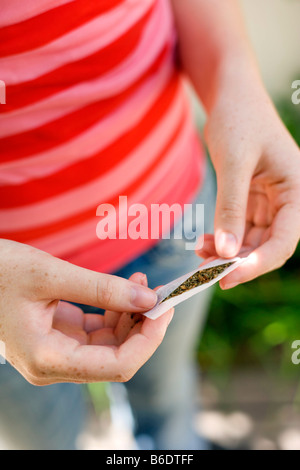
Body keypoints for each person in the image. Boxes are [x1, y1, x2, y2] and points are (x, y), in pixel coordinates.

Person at [0, 0, 299, 450]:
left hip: (174, 220)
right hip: (10, 293)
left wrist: (233, 80)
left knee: (167, 387)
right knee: (41, 436)